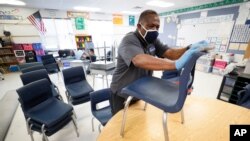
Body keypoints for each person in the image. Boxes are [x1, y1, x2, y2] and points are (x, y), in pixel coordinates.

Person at [110, 9, 211, 115]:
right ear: (139, 26)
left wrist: (188, 49)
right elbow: (139, 60)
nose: (155, 30)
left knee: (137, 123)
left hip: (139, 90)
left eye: (157, 27)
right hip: (121, 92)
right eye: (151, 26)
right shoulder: (129, 40)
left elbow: (170, 53)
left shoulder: (152, 41)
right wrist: (175, 65)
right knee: (120, 125)